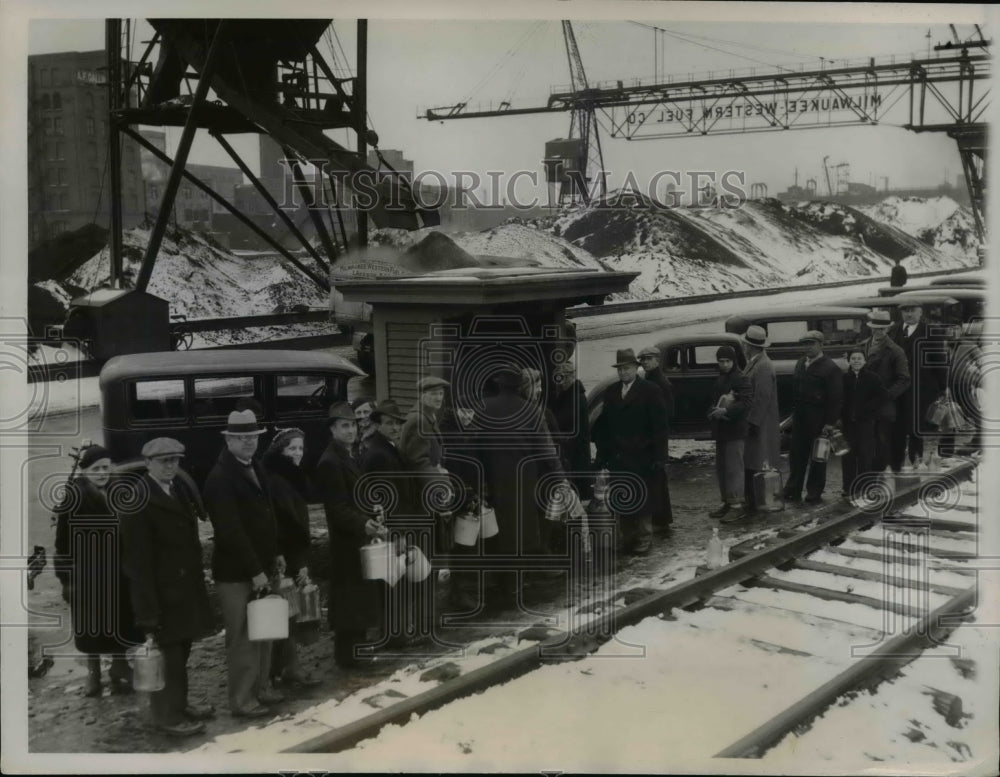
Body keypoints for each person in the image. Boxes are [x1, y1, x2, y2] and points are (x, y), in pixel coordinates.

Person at [121, 438, 215, 737]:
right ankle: (166, 717)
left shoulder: (177, 488)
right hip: (162, 597)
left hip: (184, 590)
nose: (171, 465)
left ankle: (179, 704)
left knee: (181, 652)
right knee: (169, 658)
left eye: (175, 459)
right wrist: (147, 614)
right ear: (147, 463)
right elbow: (138, 565)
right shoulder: (139, 501)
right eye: (163, 461)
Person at [203, 409, 284, 718]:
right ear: (229, 440)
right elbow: (231, 531)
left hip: (262, 567)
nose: (249, 442)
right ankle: (242, 699)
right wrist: (255, 571)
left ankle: (262, 688)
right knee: (241, 637)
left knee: (265, 631)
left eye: (253, 437)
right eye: (242, 438)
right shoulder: (220, 478)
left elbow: (267, 516)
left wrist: (275, 552)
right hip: (237, 574)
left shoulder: (256, 467)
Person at [54, 444, 144, 697]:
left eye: (106, 467)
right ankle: (93, 676)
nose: (102, 472)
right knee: (90, 628)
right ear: (85, 471)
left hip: (116, 572)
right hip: (87, 576)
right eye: (96, 469)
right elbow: (62, 544)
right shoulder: (74, 497)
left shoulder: (119, 491)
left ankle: (119, 667)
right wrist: (67, 580)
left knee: (120, 621)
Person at [472, 365, 556, 606]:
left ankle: (500, 582)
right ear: (518, 387)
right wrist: (560, 478)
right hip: (524, 480)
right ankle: (515, 587)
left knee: (498, 531)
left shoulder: (484, 408)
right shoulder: (530, 410)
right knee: (521, 532)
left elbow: (475, 444)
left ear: (499, 385)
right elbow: (547, 450)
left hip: (493, 479)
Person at [315, 402, 387, 669]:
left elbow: (355, 497)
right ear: (333, 429)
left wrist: (372, 509)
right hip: (346, 542)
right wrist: (364, 523)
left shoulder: (348, 454)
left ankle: (357, 650)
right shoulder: (330, 462)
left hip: (358, 536)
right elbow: (337, 509)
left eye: (353, 425)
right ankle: (348, 656)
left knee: (358, 598)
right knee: (349, 600)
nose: (351, 430)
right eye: (344, 425)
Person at [362, 399, 430, 643]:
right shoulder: (379, 454)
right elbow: (385, 500)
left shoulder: (389, 448)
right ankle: (397, 633)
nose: (395, 428)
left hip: (402, 524)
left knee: (399, 582)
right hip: (395, 527)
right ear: (378, 425)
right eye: (389, 423)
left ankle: (400, 630)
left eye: (397, 424)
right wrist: (397, 533)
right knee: (394, 583)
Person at [261, 428, 321, 690]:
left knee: (289, 613)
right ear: (280, 451)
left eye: (300, 448)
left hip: (291, 553)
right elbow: (285, 523)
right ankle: (287, 669)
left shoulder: (289, 477)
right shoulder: (278, 480)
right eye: (292, 449)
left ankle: (283, 668)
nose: (298, 453)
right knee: (287, 613)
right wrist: (296, 559)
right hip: (286, 557)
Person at [592, 349, 668, 555]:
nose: (623, 372)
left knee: (643, 498)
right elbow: (604, 426)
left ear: (636, 368)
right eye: (620, 369)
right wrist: (602, 454)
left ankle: (644, 537)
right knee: (622, 498)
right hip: (618, 455)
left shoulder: (650, 390)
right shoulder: (611, 392)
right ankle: (628, 537)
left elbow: (660, 426)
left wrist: (660, 457)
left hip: (642, 454)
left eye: (627, 368)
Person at [782, 331, 843, 504]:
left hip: (820, 421)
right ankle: (793, 488)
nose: (807, 347)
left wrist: (830, 423)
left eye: (812, 343)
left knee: (818, 457)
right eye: (805, 343)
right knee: (796, 455)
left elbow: (836, 398)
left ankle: (814, 492)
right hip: (801, 419)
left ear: (821, 345)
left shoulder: (830, 368)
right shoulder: (801, 363)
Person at [890, 302, 948, 470]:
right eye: (905, 311)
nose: (909, 315)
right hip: (897, 388)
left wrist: (942, 388)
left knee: (916, 428)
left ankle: (916, 462)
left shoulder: (931, 332)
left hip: (920, 388)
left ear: (920, 312)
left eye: (912, 311)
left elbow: (939, 361)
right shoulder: (894, 331)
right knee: (897, 427)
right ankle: (897, 464)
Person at [707, 346, 753, 522]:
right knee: (723, 468)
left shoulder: (741, 379)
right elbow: (713, 401)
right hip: (721, 431)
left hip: (735, 431)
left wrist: (725, 411)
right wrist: (711, 411)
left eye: (728, 361)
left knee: (734, 469)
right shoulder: (721, 379)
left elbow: (746, 403)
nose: (724, 364)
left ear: (734, 361)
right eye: (721, 361)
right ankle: (727, 501)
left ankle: (737, 505)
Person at [739, 326, 781, 514]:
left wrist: (753, 422)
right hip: (757, 422)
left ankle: (759, 503)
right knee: (754, 460)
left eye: (745, 344)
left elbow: (761, 398)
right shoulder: (756, 362)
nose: (743, 347)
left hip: (761, 423)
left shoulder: (763, 366)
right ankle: (754, 501)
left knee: (760, 461)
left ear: (750, 346)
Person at [864, 310, 911, 472]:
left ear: (888, 330)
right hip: (863, 402)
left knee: (882, 442)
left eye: (882, 329)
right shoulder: (863, 345)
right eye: (875, 328)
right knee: (865, 441)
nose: (878, 332)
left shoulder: (895, 351)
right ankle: (866, 478)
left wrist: (887, 395)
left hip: (884, 405)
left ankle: (881, 478)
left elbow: (904, 379)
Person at [839, 350, 888, 498]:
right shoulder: (844, 378)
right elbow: (839, 399)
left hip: (865, 423)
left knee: (865, 455)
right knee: (847, 456)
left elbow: (882, 397)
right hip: (848, 424)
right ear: (848, 361)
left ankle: (864, 486)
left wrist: (868, 409)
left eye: (859, 358)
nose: (856, 361)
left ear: (865, 361)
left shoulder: (873, 378)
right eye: (853, 358)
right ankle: (848, 487)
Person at [637, 345, 675, 529]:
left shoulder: (660, 382)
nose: (644, 362)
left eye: (648, 359)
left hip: (657, 437)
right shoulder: (651, 379)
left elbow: (667, 413)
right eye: (642, 359)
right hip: (652, 436)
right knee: (656, 478)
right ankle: (661, 518)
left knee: (658, 478)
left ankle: (662, 519)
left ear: (657, 361)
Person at [547, 358, 592, 501]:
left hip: (574, 453)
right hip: (573, 450)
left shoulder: (575, 398)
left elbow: (561, 420)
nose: (558, 382)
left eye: (560, 378)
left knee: (574, 493)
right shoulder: (569, 394)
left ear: (568, 377)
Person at [351, 397, 378, 461]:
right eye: (358, 413)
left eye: (366, 412)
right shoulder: (353, 434)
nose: (362, 416)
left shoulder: (378, 433)